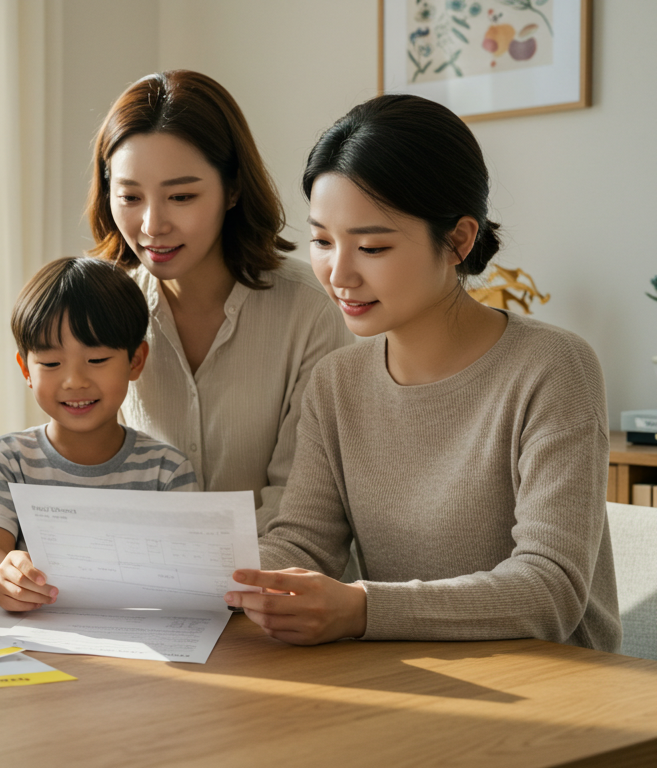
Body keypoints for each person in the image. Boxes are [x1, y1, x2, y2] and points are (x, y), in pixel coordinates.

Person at [228, 95, 620, 651]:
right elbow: (304, 546)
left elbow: (549, 589)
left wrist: (363, 609)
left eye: (371, 246)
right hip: (410, 674)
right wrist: (213, 578)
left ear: (458, 240)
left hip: (559, 684)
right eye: (322, 241)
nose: (338, 274)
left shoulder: (553, 368)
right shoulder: (336, 383)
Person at [88, 70, 355, 533]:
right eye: (130, 196)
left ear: (232, 189)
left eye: (181, 196)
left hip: (275, 571)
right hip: (145, 572)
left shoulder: (311, 309)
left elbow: (299, 504)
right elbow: (81, 465)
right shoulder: (99, 308)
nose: (152, 225)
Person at [0, 257, 198, 612]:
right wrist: (6, 572)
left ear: (135, 361)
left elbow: (187, 570)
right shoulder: (8, 459)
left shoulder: (166, 470)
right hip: (37, 631)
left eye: (97, 360)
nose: (74, 381)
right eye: (51, 364)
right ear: (25, 369)